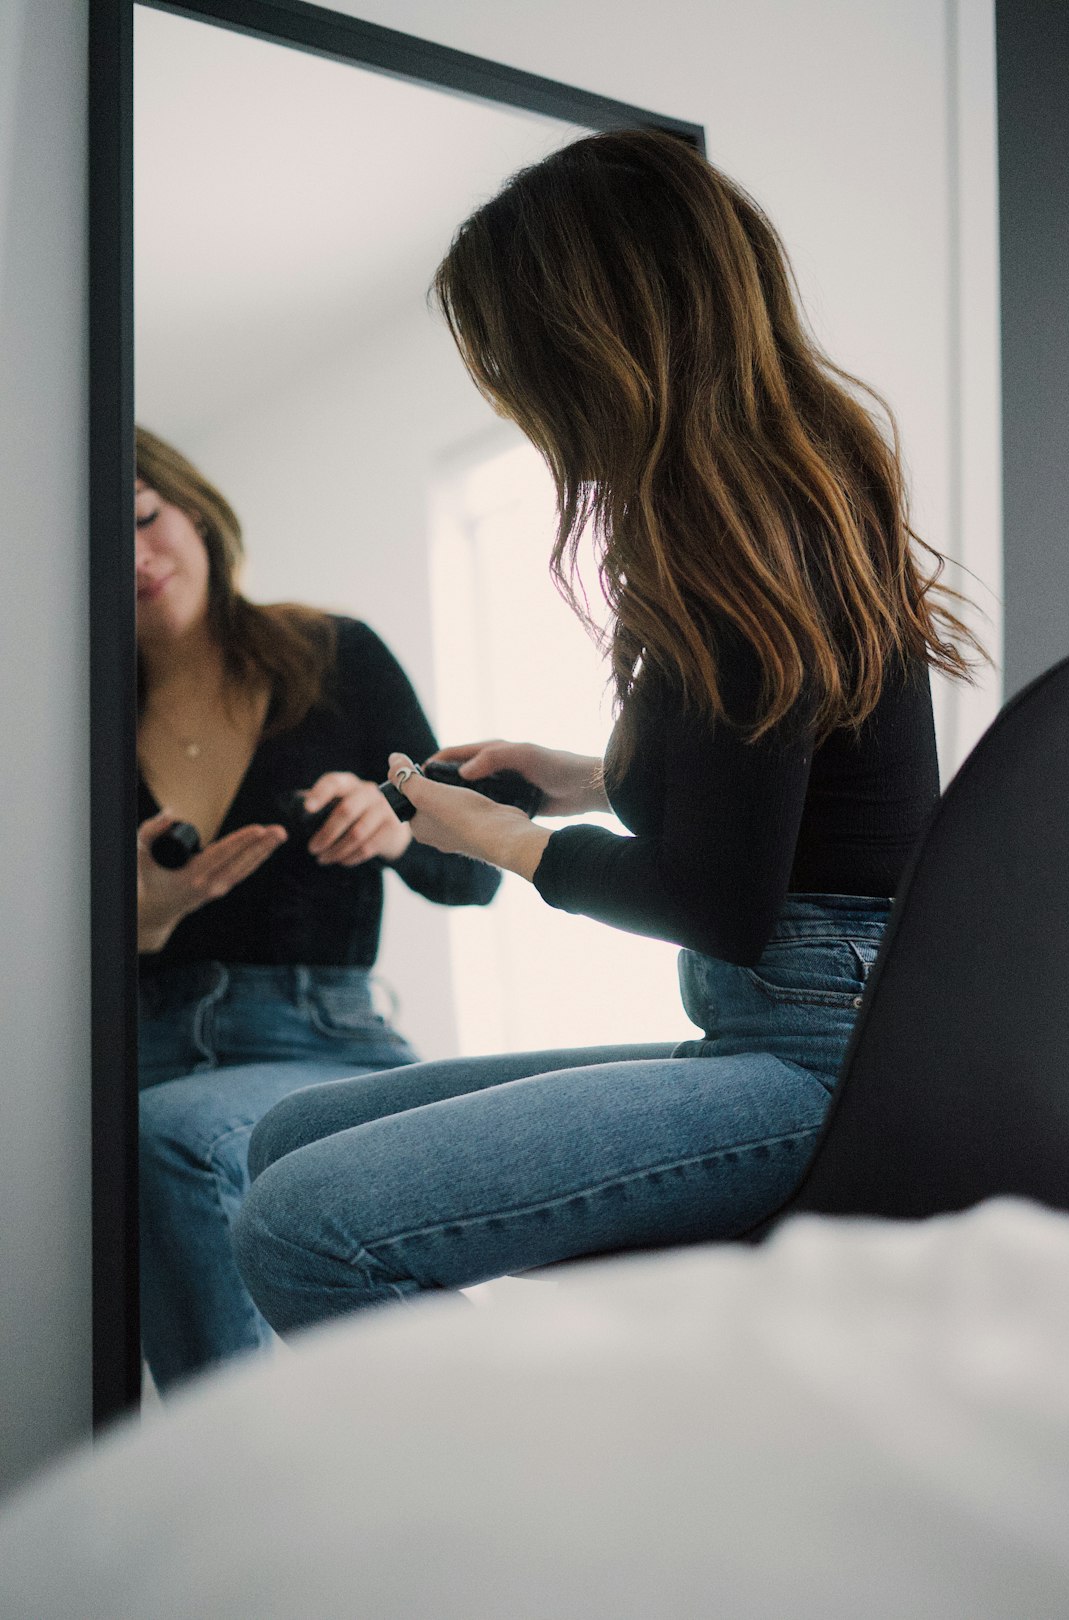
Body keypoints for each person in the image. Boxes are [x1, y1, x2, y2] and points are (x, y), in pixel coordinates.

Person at [232, 128, 985, 1335]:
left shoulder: (749, 532)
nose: (524, 402)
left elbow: (722, 902)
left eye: (518, 362)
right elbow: (778, 793)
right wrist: (574, 780)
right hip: (799, 1018)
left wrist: (505, 843)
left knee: (304, 1223)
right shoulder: (771, 501)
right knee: (287, 1135)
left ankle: (499, 1514)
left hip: (823, 1057)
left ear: (594, 343)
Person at [134, 426, 500, 1390]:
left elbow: (479, 872)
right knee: (165, 1138)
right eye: (102, 541)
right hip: (144, 1050)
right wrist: (147, 916)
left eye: (145, 519)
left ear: (196, 512)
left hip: (323, 1041)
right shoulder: (70, 719)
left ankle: (494, 1433)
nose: (135, 559)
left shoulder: (334, 656)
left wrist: (398, 827)